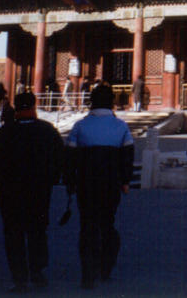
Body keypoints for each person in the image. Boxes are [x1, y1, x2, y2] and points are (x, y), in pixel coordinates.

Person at [0, 92, 65, 292]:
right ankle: (37, 271)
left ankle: (19, 277)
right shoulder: (47, 131)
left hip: (10, 192)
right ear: (34, 106)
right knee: (37, 231)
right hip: (39, 191)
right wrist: (53, 179)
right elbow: (59, 159)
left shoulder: (3, 133)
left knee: (13, 233)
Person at [65, 83, 134, 289]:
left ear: (92, 102)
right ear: (111, 102)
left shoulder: (80, 126)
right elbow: (128, 157)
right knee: (107, 223)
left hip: (86, 184)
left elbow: (69, 158)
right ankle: (105, 267)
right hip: (111, 184)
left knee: (87, 226)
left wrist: (70, 183)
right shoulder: (121, 127)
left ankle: (88, 272)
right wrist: (125, 181)